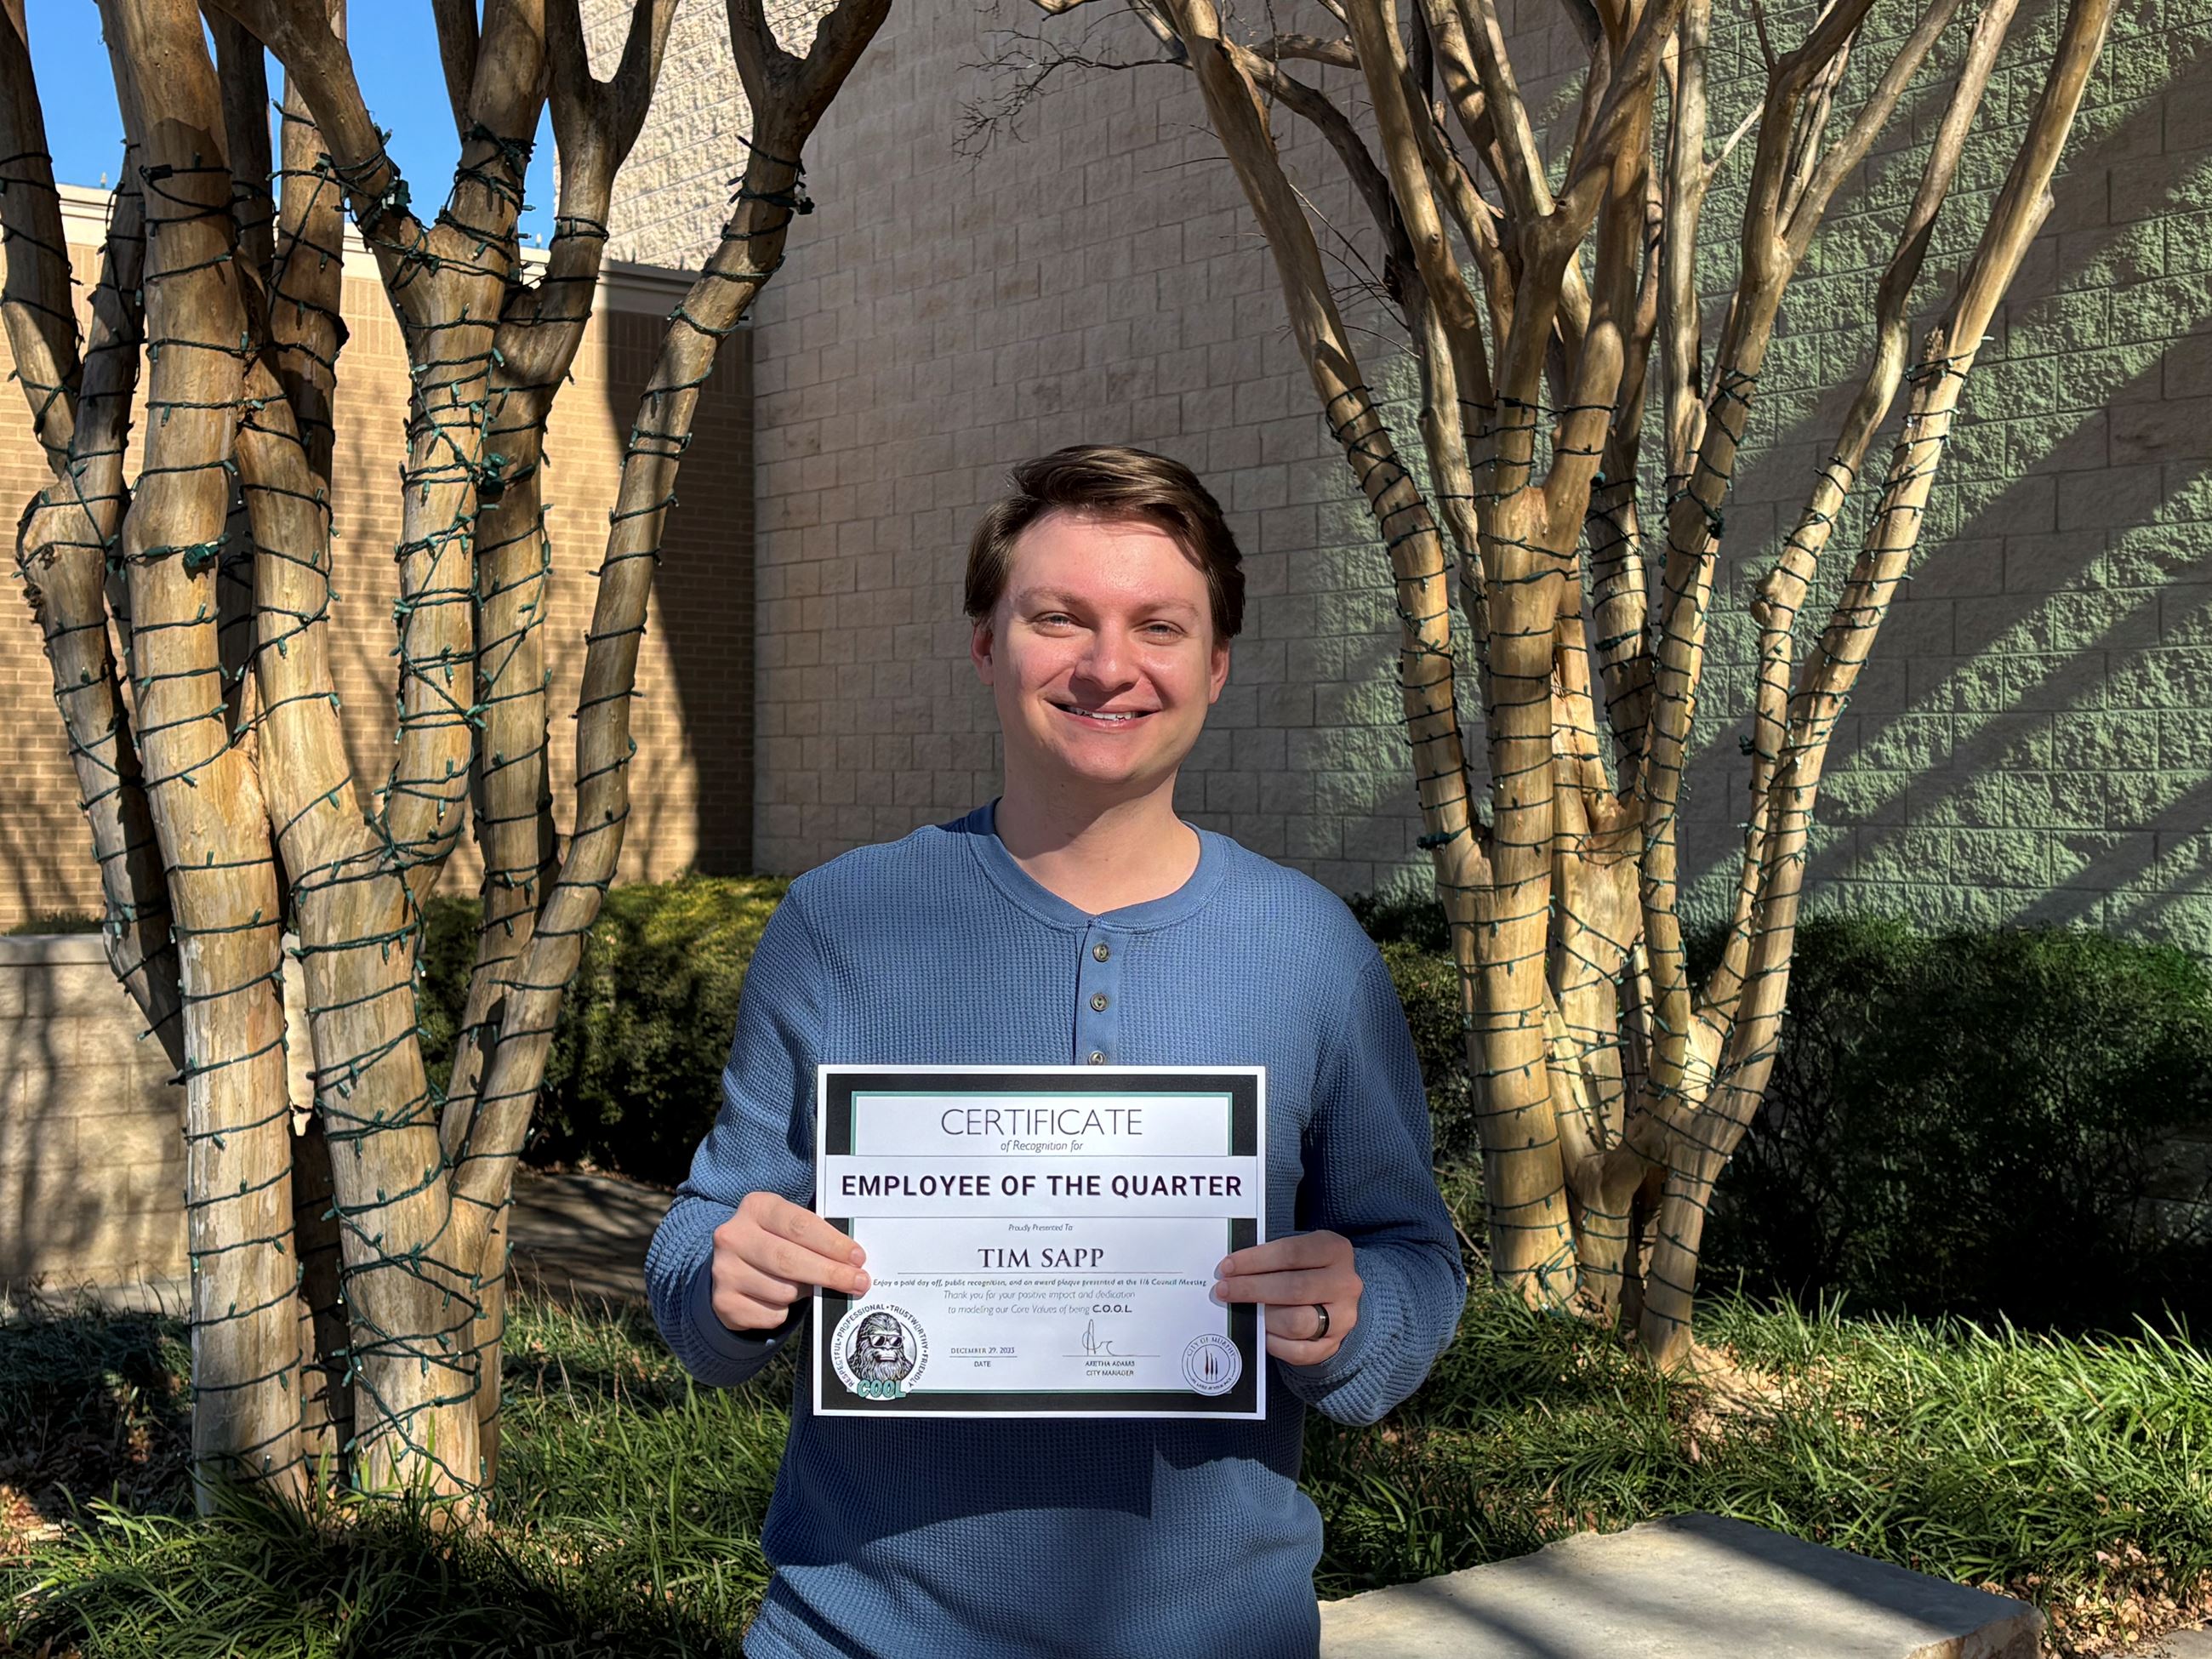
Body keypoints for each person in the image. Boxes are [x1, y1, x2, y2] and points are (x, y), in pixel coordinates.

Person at [645, 444, 1467, 1658]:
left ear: (1217, 666)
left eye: (1159, 625)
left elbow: (1419, 1255)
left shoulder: (1312, 951)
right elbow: (697, 1237)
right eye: (1058, 617)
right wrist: (724, 1278)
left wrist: (1362, 1314)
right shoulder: (840, 925)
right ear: (986, 641)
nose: (1107, 665)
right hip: (858, 1634)